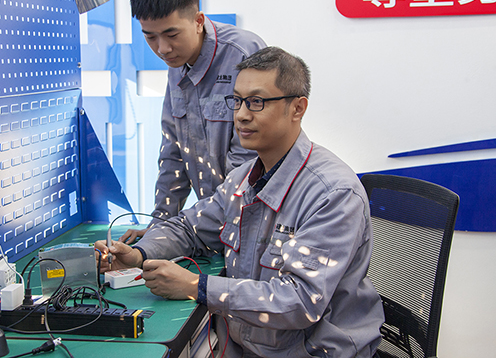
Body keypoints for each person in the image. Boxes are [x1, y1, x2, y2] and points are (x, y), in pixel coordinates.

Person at [96, 46, 384, 357]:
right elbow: (191, 228)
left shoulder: (333, 193)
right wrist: (138, 254)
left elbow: (300, 301)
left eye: (257, 102)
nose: (242, 115)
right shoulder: (242, 179)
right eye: (237, 100)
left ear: (297, 108)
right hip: (248, 346)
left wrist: (197, 286)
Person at [119, 0, 266, 243]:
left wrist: (181, 232)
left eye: (172, 35)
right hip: (211, 224)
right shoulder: (177, 64)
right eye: (150, 37)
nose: (162, 48)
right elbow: (173, 153)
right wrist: (160, 225)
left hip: (251, 225)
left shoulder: (243, 54)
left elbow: (248, 165)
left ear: (198, 21)